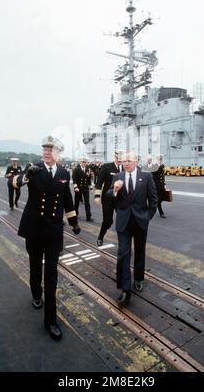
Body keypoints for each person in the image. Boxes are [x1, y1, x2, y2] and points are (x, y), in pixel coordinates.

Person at [13, 135, 80, 340]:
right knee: (35, 266)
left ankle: (50, 321)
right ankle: (35, 293)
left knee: (51, 274)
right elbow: (13, 183)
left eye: (51, 149)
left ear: (59, 154)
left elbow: (67, 200)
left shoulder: (63, 173)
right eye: (44, 149)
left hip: (53, 231)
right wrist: (25, 177)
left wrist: (74, 221)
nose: (46, 152)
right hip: (34, 229)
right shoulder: (34, 169)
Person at [107, 151, 157, 306]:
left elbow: (153, 199)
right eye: (124, 161)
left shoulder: (147, 177)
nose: (125, 163)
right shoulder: (117, 177)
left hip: (141, 221)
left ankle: (138, 278)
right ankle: (125, 289)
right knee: (123, 253)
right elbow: (108, 197)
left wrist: (148, 216)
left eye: (128, 160)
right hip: (124, 222)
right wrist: (114, 190)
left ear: (136, 161)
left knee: (140, 250)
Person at [94, 151, 123, 246]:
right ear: (115, 156)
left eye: (121, 158)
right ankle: (100, 236)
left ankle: (122, 241)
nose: (119, 160)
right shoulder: (106, 167)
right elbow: (99, 182)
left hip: (121, 199)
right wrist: (97, 196)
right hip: (108, 199)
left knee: (123, 220)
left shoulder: (125, 168)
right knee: (108, 221)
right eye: (118, 157)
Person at [72, 157, 94, 222]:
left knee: (87, 203)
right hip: (78, 188)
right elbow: (74, 178)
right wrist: (75, 187)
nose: (83, 163)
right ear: (80, 162)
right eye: (82, 162)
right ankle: (75, 215)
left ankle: (88, 217)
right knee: (76, 202)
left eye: (85, 162)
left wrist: (90, 187)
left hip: (85, 188)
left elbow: (89, 179)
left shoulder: (88, 169)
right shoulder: (76, 169)